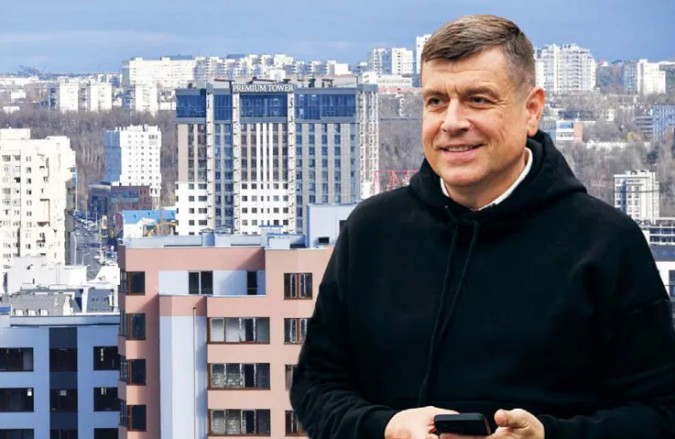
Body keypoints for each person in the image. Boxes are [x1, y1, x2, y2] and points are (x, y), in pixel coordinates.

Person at [290, 14, 675, 439]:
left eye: (478, 99)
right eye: (436, 101)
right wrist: (388, 427)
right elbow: (316, 387)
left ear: (532, 110)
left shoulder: (606, 243)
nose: (452, 122)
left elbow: (660, 414)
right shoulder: (371, 232)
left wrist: (549, 436)